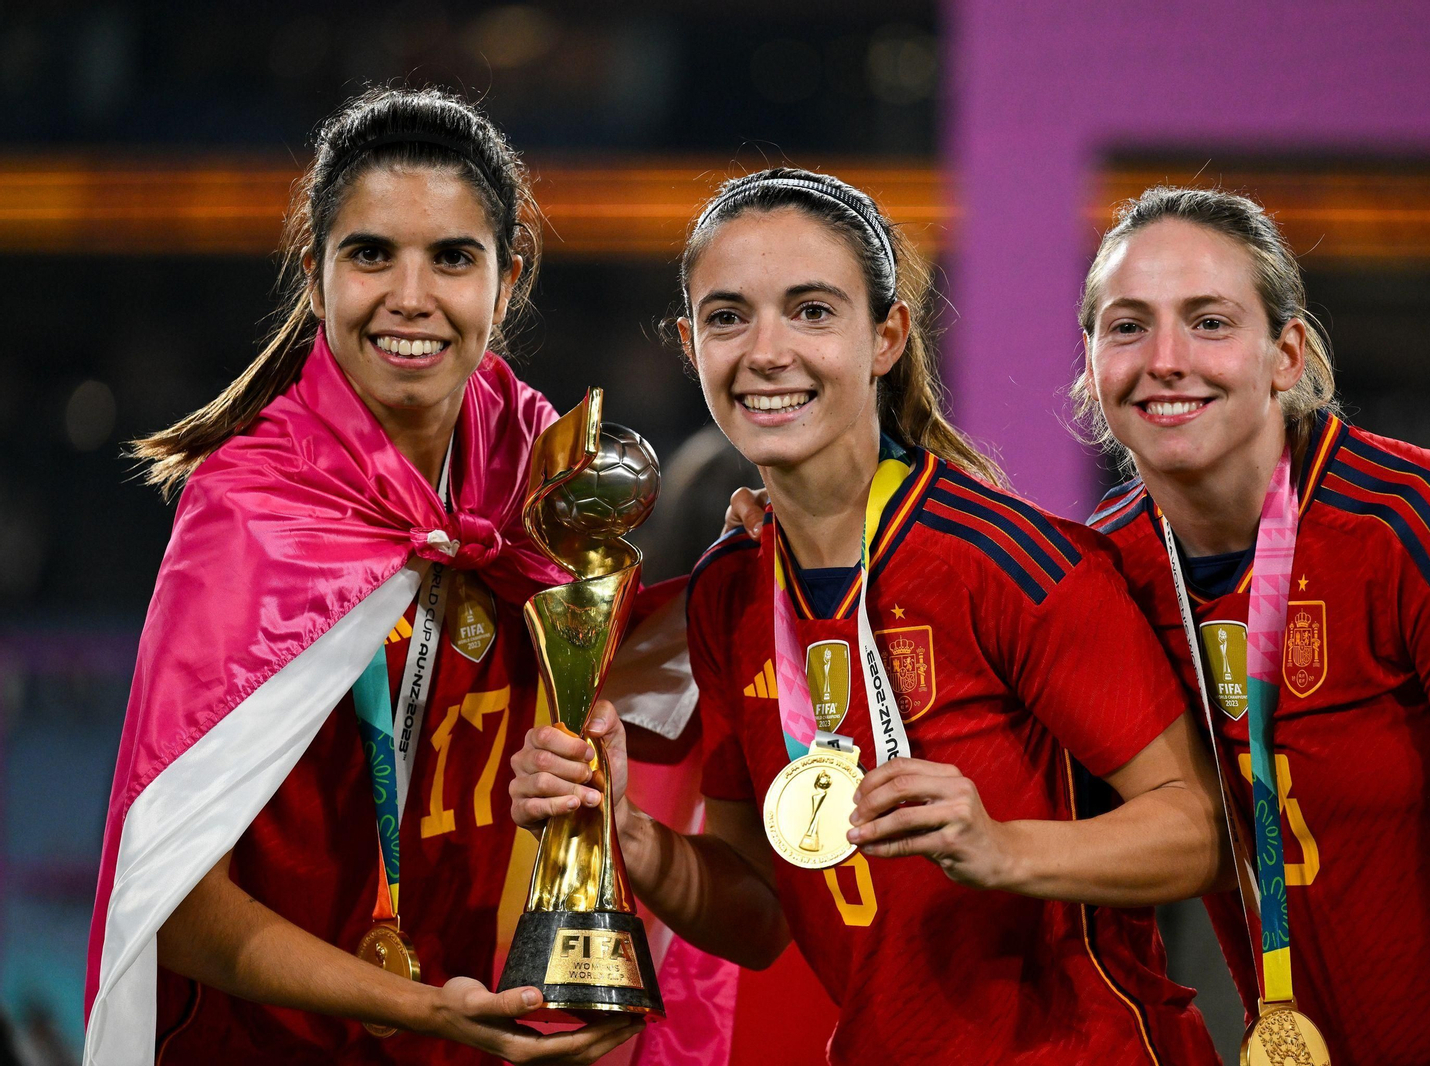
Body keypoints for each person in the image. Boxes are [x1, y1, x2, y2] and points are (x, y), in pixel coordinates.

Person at [510, 168, 1229, 1065]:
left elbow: (1200, 831)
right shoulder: (731, 590)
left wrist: (1001, 848)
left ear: (887, 336)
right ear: (691, 345)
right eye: (729, 318)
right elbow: (761, 914)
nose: (767, 351)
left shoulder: (1007, 563)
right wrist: (629, 838)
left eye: (812, 311)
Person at [86, 88, 641, 1066]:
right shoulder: (253, 512)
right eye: (371, 253)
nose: (411, 295)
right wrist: (417, 1006)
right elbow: (172, 901)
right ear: (315, 274)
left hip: (478, 1035)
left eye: (453, 258)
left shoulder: (542, 489)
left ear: (508, 280)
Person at [1075, 186, 1430, 1065]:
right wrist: (765, 546)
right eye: (1127, 326)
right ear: (1092, 359)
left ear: (1286, 354)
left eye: (1209, 322)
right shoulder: (1098, 574)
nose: (1165, 359)